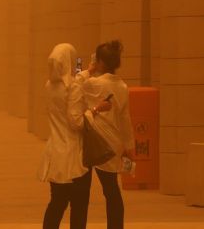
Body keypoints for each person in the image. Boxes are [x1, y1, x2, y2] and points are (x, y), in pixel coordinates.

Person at [38, 43, 112, 229]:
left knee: (57, 203)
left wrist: (87, 71)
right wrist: (95, 109)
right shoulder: (73, 88)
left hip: (56, 154)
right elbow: (76, 122)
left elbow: (72, 81)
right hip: (75, 156)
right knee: (79, 206)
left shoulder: (49, 86)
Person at [69, 40, 134, 229]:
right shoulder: (122, 87)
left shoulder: (93, 84)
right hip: (112, 145)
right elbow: (125, 120)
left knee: (81, 192)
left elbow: (75, 84)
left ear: (101, 62)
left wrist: (88, 69)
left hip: (92, 143)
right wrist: (129, 147)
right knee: (112, 190)